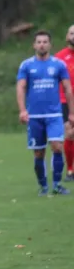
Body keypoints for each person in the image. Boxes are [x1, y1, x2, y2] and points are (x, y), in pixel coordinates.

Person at [16, 30, 74, 196]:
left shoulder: (58, 65)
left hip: (54, 114)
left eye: (45, 42)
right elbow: (21, 87)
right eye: (39, 42)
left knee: (57, 147)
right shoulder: (26, 65)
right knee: (39, 152)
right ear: (34, 45)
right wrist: (22, 110)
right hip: (35, 116)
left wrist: (71, 113)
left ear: (50, 45)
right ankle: (43, 186)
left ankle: (56, 185)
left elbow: (68, 89)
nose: (42, 44)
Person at [55, 25, 74, 181]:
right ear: (67, 36)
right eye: (72, 33)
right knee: (70, 133)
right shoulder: (60, 57)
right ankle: (70, 170)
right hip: (65, 100)